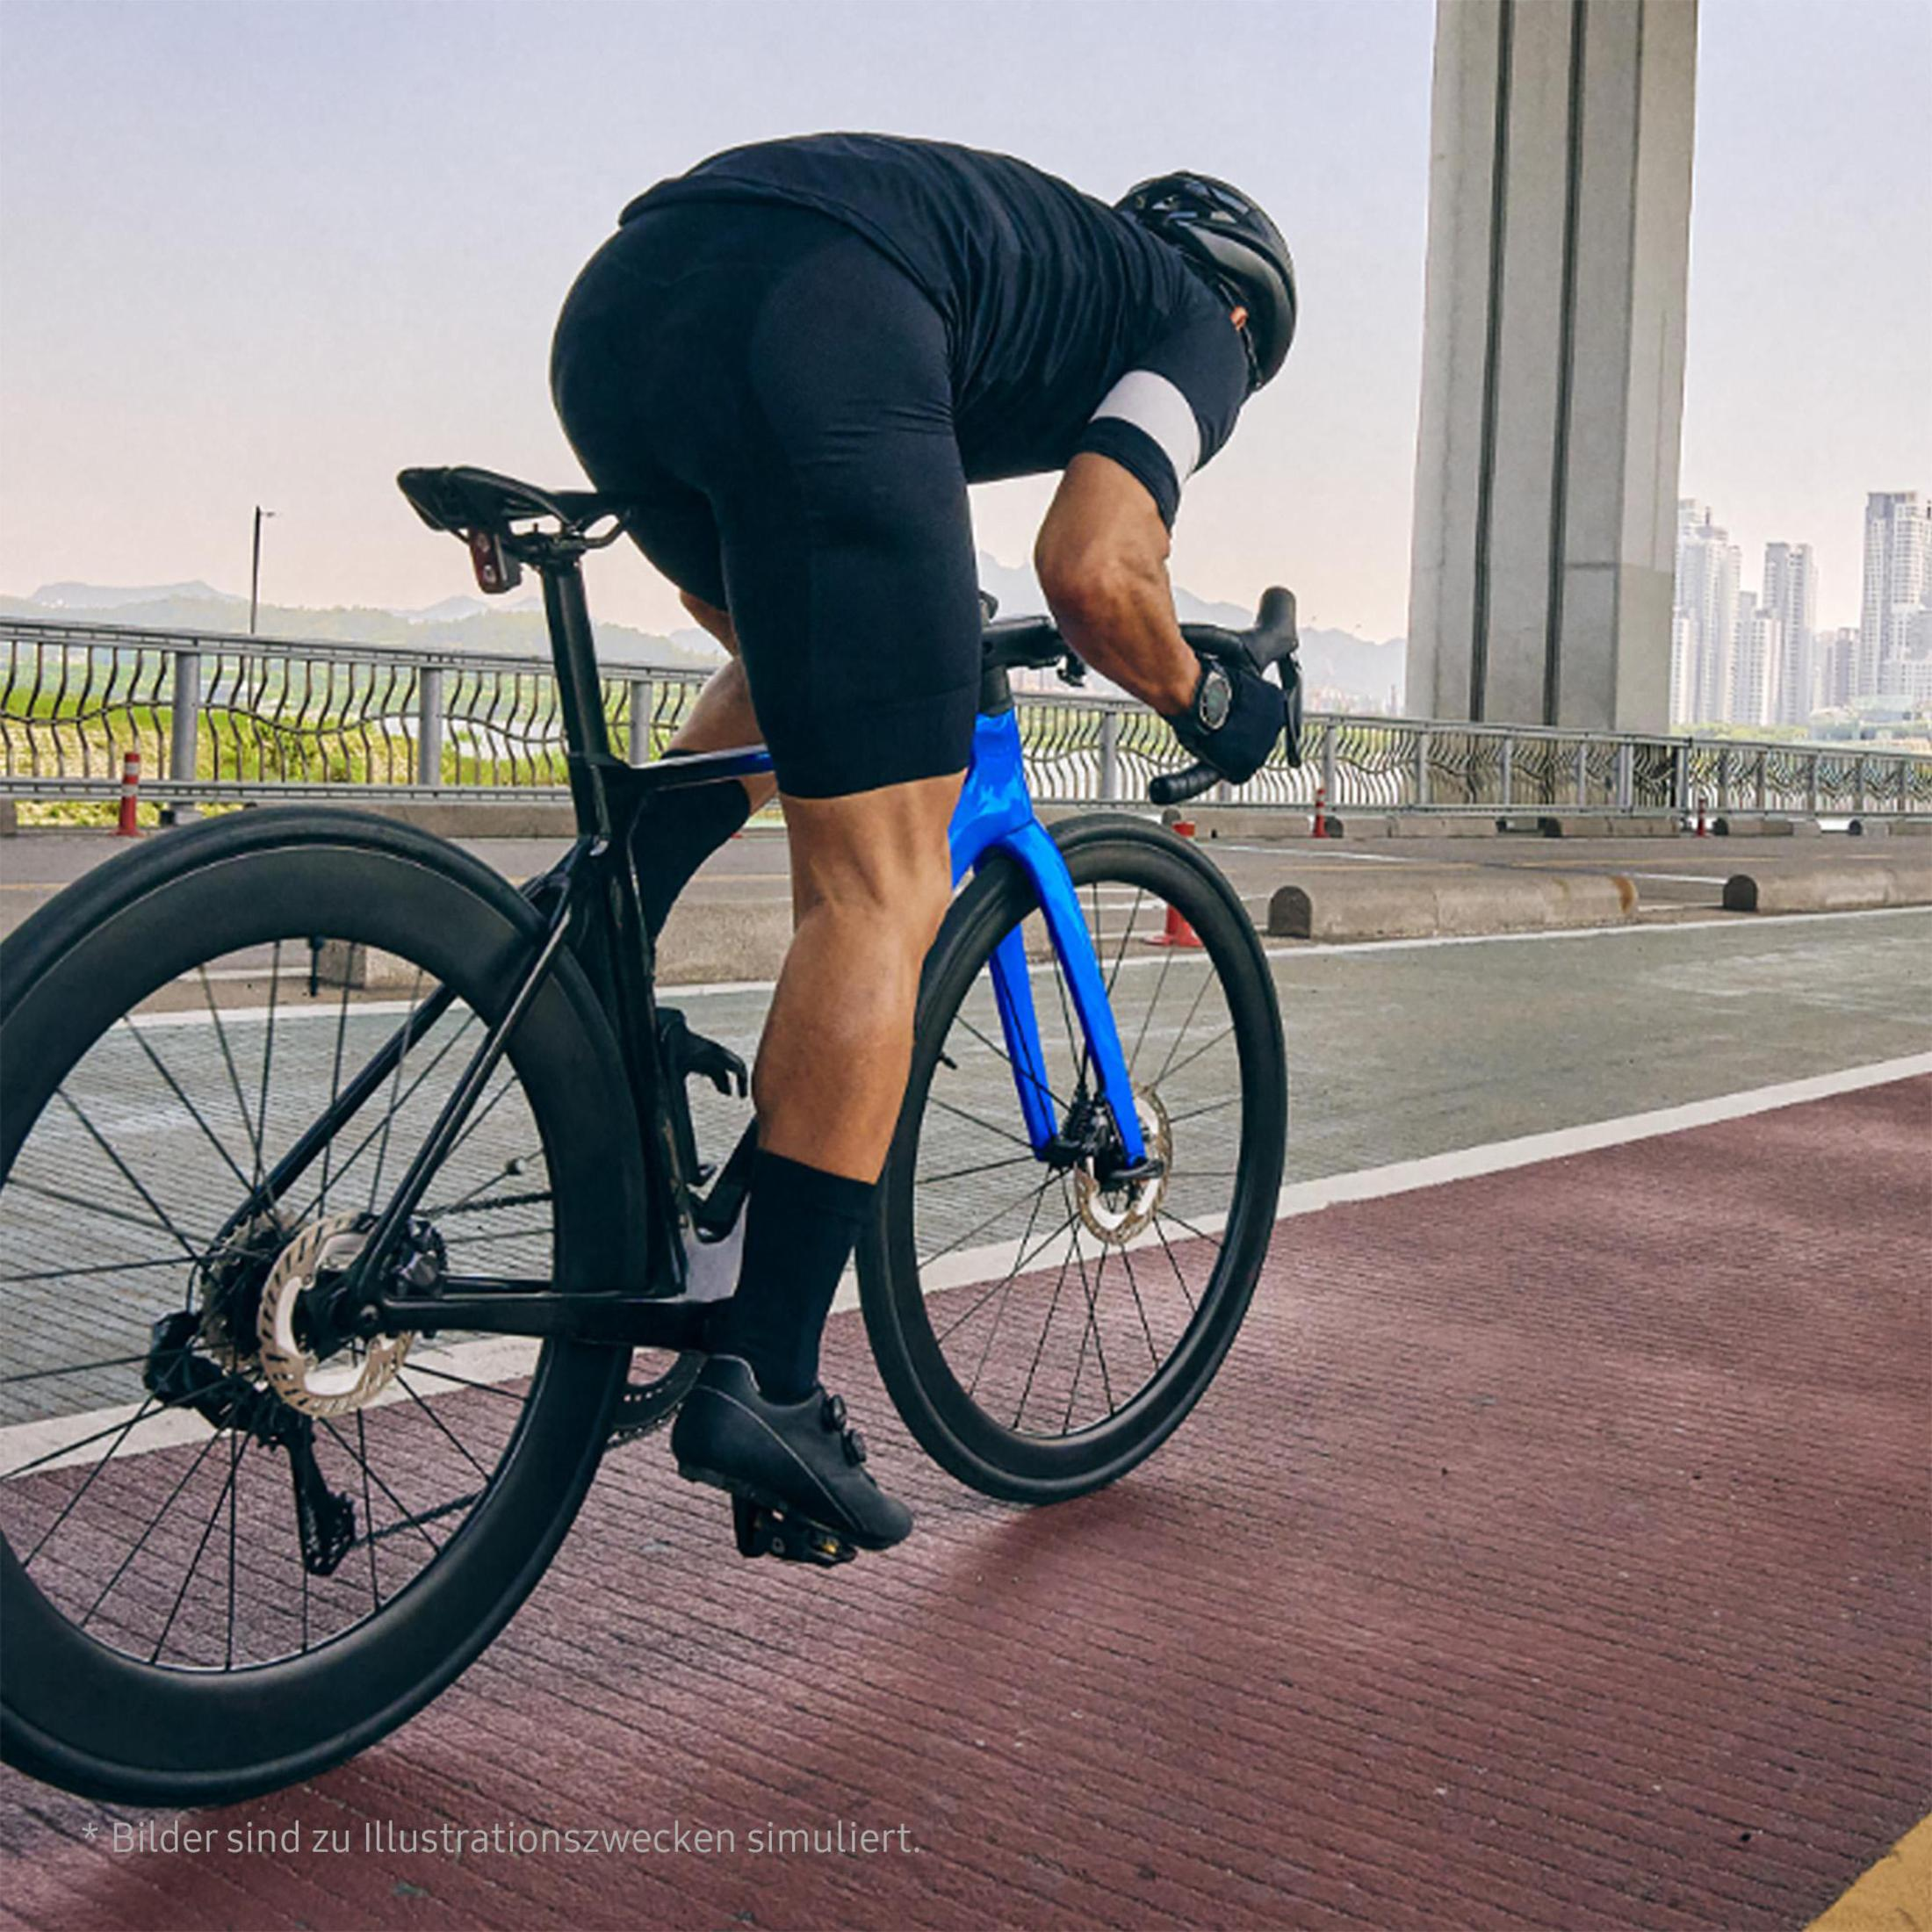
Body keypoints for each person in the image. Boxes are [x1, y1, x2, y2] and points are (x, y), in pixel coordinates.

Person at [548, 133, 1296, 1556]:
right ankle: (766, 1380)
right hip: (819, 317)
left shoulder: (1035, 255)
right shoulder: (1195, 318)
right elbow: (1093, 569)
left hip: (624, 309)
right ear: (1248, 319)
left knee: (830, 655)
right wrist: (1214, 695)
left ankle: (588, 925)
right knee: (882, 889)